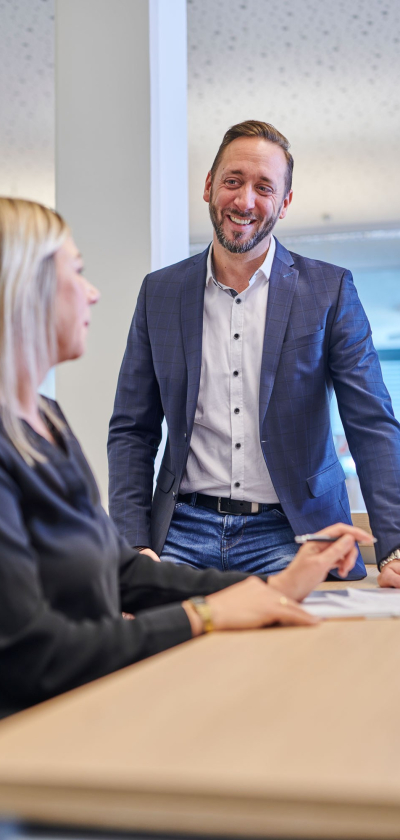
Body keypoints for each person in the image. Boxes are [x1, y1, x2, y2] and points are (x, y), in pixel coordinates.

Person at [0, 197, 373, 719]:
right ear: (25, 291)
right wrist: (204, 614)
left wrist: (272, 587)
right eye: (77, 272)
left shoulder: (47, 421)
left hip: (81, 709)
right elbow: (29, 656)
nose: (93, 292)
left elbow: (121, 574)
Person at [108, 120, 400, 584]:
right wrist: (132, 544)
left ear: (284, 203)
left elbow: (371, 422)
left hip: (292, 531)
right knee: (156, 648)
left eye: (264, 187)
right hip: (181, 530)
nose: (245, 201)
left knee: (298, 653)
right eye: (232, 181)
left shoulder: (329, 289)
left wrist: (394, 546)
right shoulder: (159, 293)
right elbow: (131, 428)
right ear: (209, 186)